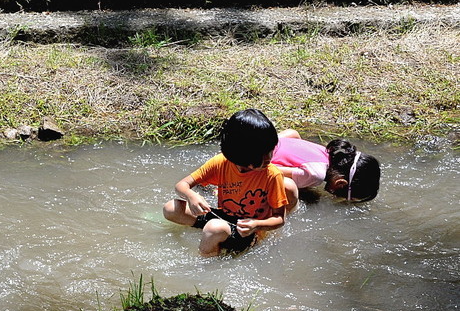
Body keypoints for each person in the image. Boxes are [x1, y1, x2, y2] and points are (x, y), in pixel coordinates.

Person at [162, 109, 290, 257]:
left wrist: (256, 225)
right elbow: (181, 185)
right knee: (171, 208)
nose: (269, 158)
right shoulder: (221, 163)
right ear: (243, 153)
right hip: (223, 217)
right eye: (263, 153)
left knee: (213, 228)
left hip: (247, 230)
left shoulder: (272, 175)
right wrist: (191, 196)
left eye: (271, 150)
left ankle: (205, 262)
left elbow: (280, 219)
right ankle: (216, 239)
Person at [272, 129, 381, 202]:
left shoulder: (325, 152)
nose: (336, 197)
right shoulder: (316, 175)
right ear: (340, 183)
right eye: (343, 197)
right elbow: (270, 171)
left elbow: (292, 133)